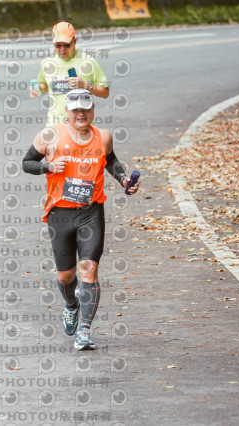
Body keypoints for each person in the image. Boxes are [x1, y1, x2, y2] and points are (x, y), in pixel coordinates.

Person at [22, 89, 140, 350]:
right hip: (60, 214)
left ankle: (84, 330)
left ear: (93, 110)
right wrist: (48, 166)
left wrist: (123, 179)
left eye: (85, 109)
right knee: (66, 276)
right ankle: (71, 304)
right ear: (67, 111)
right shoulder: (50, 135)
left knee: (88, 268)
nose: (81, 114)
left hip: (91, 212)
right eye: (75, 110)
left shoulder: (103, 136)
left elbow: (110, 160)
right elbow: (27, 162)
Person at [30, 22, 109, 125]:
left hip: (82, 126)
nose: (62, 50)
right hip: (55, 125)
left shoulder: (89, 62)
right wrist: (37, 89)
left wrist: (86, 86)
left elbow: (105, 93)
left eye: (67, 45)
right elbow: (45, 86)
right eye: (58, 46)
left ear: (75, 41)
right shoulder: (47, 63)